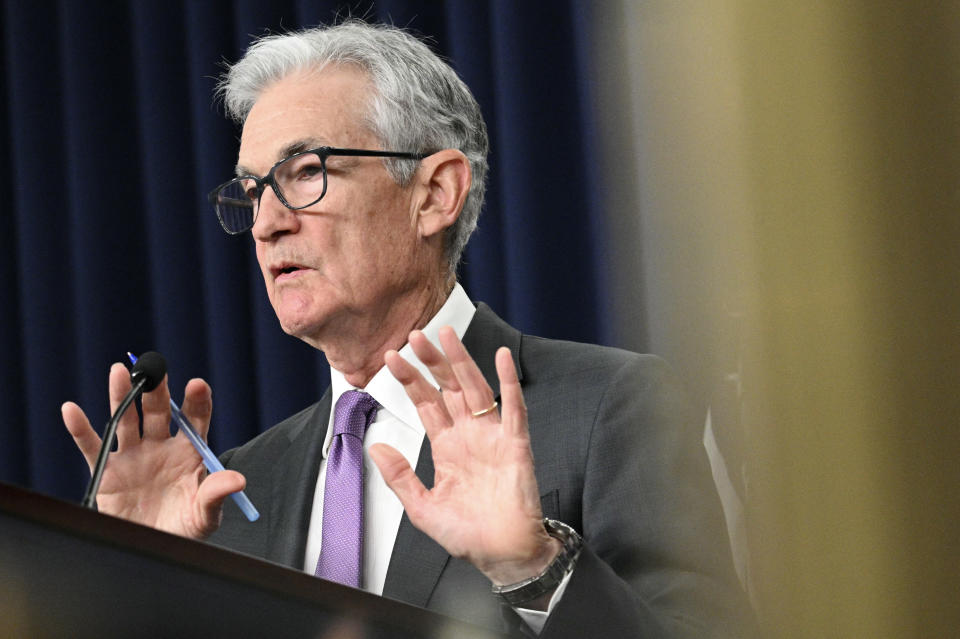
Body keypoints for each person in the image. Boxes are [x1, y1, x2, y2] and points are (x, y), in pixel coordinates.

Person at [62, 21, 753, 638]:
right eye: (252, 191)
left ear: (434, 194)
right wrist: (139, 579)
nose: (267, 222)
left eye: (305, 172)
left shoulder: (609, 405)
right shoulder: (244, 486)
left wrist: (535, 567)